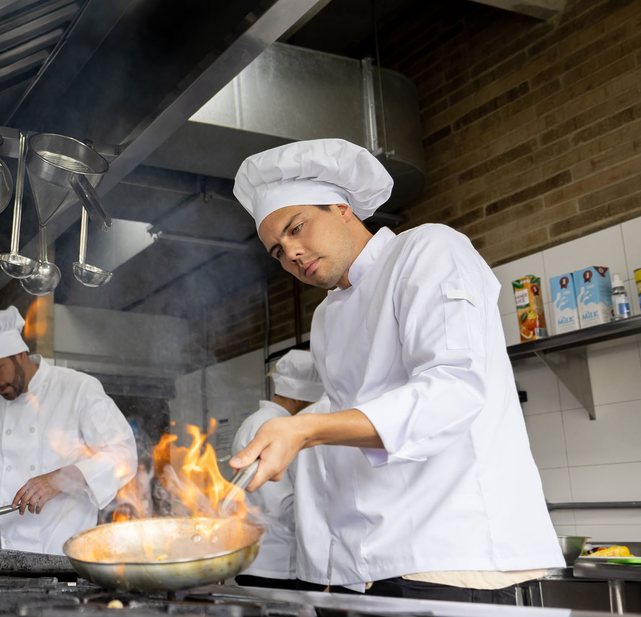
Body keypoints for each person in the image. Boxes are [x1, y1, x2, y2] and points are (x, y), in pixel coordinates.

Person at [228, 138, 563, 603]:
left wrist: (305, 429)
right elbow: (352, 441)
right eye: (278, 251)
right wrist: (337, 565)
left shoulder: (428, 250)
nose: (292, 254)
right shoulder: (327, 316)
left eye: (297, 227)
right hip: (369, 570)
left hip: (451, 555)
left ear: (342, 208)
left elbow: (453, 390)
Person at [0, 307, 138, 555]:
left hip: (67, 557)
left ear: (20, 354)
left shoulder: (77, 388)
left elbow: (123, 454)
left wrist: (62, 477)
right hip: (5, 558)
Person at [230, 349, 328, 591]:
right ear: (299, 398)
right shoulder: (271, 427)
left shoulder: (260, 421)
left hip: (267, 560)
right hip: (274, 564)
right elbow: (280, 505)